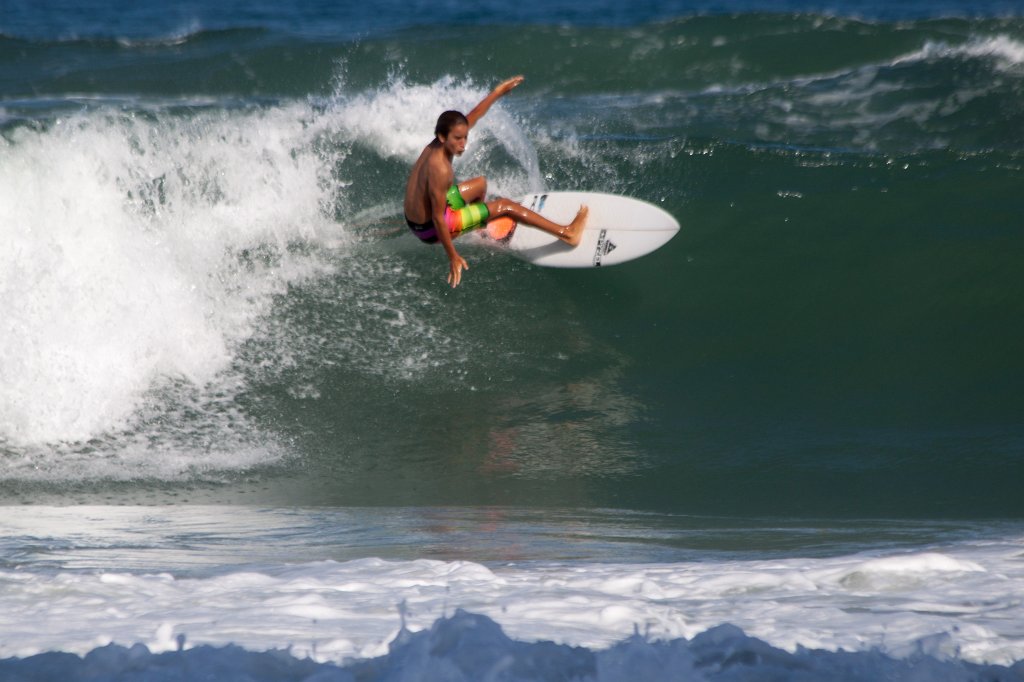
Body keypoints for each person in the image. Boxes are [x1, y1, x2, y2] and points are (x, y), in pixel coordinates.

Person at [404, 75, 588, 287]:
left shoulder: (439, 141)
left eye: (465, 137)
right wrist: (453, 257)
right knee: (505, 206)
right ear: (443, 137)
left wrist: (498, 92)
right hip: (431, 228)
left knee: (480, 184)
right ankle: (567, 233)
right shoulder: (441, 169)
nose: (463, 144)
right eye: (458, 139)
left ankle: (480, 227)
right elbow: (438, 218)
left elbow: (475, 114)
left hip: (416, 217)